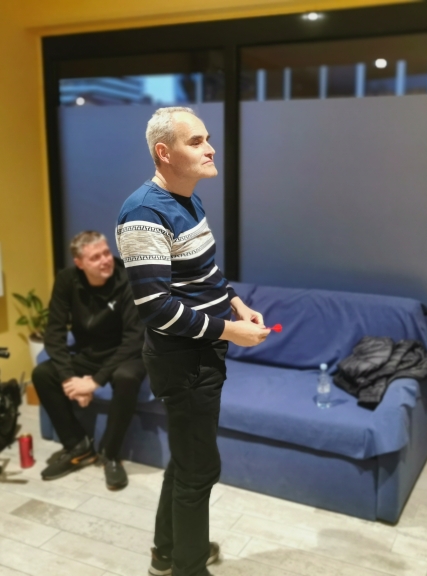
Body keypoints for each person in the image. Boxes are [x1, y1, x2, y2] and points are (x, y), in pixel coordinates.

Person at [116, 107, 269, 576]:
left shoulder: (188, 199)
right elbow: (156, 308)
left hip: (202, 353)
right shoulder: (143, 213)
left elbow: (204, 272)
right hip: (182, 360)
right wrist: (230, 331)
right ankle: (189, 565)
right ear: (164, 153)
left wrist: (235, 303)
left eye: (207, 139)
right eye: (196, 141)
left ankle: (168, 552)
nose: (210, 149)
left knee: (187, 461)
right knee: (199, 469)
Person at [33, 231, 146, 490]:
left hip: (128, 353)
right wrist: (69, 380)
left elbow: (134, 339)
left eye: (106, 253)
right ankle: (78, 445)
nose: (105, 260)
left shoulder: (129, 280)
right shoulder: (67, 280)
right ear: (80, 263)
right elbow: (54, 333)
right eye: (95, 257)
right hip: (89, 353)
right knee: (43, 373)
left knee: (126, 378)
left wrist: (94, 382)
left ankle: (111, 455)